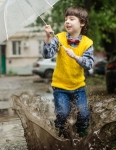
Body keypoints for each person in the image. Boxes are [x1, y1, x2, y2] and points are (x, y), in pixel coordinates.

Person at [42, 6, 94, 138]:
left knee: (83, 114)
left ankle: (83, 138)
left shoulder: (87, 43)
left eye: (71, 19)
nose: (67, 22)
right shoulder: (59, 38)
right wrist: (48, 38)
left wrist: (76, 57)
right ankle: (58, 134)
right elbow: (47, 55)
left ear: (82, 23)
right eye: (66, 19)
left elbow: (89, 64)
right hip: (60, 86)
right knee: (63, 113)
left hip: (78, 87)